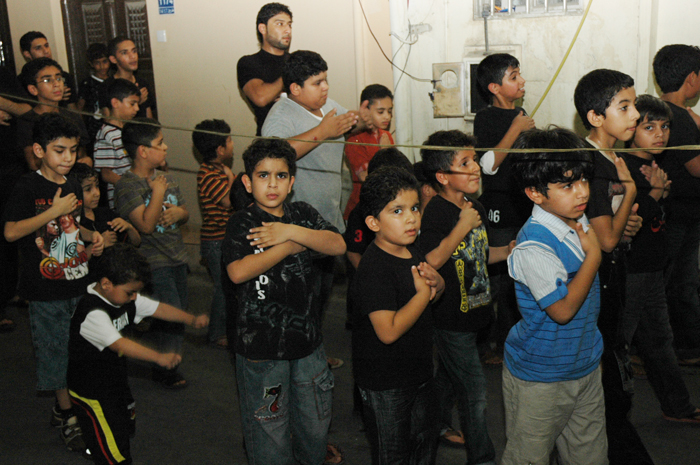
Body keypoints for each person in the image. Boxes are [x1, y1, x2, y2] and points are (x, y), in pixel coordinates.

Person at [222, 138, 346, 465]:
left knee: (314, 424)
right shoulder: (242, 222)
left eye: (280, 176)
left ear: (292, 182)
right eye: (263, 175)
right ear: (248, 183)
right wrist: (288, 246)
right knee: (269, 431)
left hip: (307, 343)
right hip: (261, 350)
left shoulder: (301, 214)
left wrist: (290, 231)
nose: (272, 184)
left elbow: (337, 244)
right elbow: (237, 271)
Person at [502, 127, 606, 464]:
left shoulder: (576, 217)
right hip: (541, 377)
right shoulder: (534, 246)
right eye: (567, 185)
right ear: (534, 193)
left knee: (590, 456)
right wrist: (593, 257)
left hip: (584, 363)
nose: (582, 192)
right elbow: (562, 311)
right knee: (528, 457)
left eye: (583, 180)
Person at [2, 113, 104, 453]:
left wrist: (92, 236)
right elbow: (11, 231)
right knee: (55, 354)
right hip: (45, 290)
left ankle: (68, 407)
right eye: (59, 151)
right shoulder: (27, 186)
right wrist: (53, 210)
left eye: (73, 150)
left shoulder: (73, 184)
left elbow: (72, 225)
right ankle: (68, 415)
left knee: (80, 352)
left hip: (77, 280)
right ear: (39, 150)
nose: (68, 158)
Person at [262, 49, 360, 371]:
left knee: (318, 299)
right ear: (295, 89)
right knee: (298, 301)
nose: (325, 87)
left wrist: (365, 118)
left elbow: (347, 121)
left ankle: (311, 353)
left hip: (327, 221)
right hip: (297, 228)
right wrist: (323, 133)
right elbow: (273, 155)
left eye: (326, 80)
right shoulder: (282, 114)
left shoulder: (326, 108)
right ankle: (298, 360)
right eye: (317, 82)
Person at [68, 243, 208, 465]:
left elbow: (158, 309)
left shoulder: (123, 297)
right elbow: (121, 345)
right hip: (91, 392)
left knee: (122, 427)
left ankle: (100, 445)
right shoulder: (92, 312)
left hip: (113, 381)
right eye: (130, 292)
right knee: (113, 454)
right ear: (106, 284)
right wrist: (159, 357)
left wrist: (190, 319)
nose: (134, 297)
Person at [419, 130, 511, 465]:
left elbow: (479, 255)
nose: (475, 168)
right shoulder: (437, 212)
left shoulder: (476, 207)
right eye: (465, 163)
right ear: (443, 176)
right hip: (450, 320)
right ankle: (482, 458)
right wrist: (461, 226)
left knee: (446, 380)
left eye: (474, 160)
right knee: (474, 392)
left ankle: (429, 430)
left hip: (476, 313)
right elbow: (430, 260)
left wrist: (509, 250)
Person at [574, 68, 651, 464]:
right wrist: (632, 192)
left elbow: (613, 229)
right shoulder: (593, 163)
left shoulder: (611, 156)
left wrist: (625, 226)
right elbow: (605, 240)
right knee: (607, 373)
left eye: (634, 105)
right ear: (595, 117)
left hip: (612, 273)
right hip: (596, 279)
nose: (635, 114)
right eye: (624, 107)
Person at [352, 166, 444, 465]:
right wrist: (422, 295)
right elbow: (388, 331)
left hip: (418, 372)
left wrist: (438, 284)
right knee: (393, 455)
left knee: (423, 443)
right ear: (373, 222)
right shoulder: (374, 268)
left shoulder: (411, 251)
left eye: (415, 208)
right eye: (397, 211)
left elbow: (428, 296)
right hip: (385, 383)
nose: (411, 218)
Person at [621, 94, 700, 423]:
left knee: (659, 339)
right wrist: (655, 193)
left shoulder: (658, 165)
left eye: (665, 127)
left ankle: (677, 406)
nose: (660, 134)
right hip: (629, 271)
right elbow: (626, 224)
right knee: (618, 344)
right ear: (631, 129)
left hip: (652, 267)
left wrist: (661, 191)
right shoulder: (622, 168)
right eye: (649, 127)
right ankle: (611, 415)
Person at [114, 118, 190, 389]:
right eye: (160, 143)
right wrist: (157, 192)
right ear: (143, 151)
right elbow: (145, 226)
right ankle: (166, 367)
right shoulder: (127, 186)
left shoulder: (166, 178)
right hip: (153, 262)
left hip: (177, 257)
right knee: (173, 314)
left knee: (171, 314)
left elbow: (185, 212)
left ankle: (148, 352)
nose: (166, 147)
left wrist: (179, 213)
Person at [474, 53, 534, 364]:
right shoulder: (485, 118)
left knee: (516, 282)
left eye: (519, 74)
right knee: (494, 282)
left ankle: (507, 343)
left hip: (523, 207)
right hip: (498, 209)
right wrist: (516, 128)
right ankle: (482, 344)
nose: (521, 80)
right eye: (513, 76)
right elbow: (488, 165)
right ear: (495, 87)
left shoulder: (521, 114)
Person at [652, 44, 700, 365]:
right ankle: (681, 348)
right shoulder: (678, 118)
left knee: (678, 282)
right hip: (679, 215)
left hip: (677, 213)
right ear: (692, 78)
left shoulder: (668, 113)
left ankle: (682, 347)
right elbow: (697, 168)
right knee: (679, 284)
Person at [193, 119, 235, 349]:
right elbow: (228, 201)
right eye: (229, 140)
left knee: (228, 285)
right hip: (215, 240)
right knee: (223, 287)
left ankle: (226, 328)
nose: (232, 143)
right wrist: (231, 178)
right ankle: (216, 333)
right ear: (220, 149)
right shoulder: (208, 174)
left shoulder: (217, 170)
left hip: (223, 238)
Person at [17, 58, 90, 170]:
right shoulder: (27, 121)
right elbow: (34, 164)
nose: (56, 84)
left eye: (59, 78)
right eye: (47, 80)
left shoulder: (72, 116)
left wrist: (85, 161)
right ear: (33, 89)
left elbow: (82, 153)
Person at [237, 2, 293, 135]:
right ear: (262, 28)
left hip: (303, 135)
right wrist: (291, 73)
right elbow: (260, 98)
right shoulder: (249, 63)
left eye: (289, 25)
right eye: (280, 24)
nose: (288, 30)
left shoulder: (297, 60)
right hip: (270, 141)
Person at [344, 84, 394, 219]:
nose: (387, 117)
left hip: (384, 206)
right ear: (365, 110)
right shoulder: (355, 139)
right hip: (360, 209)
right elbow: (365, 177)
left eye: (390, 111)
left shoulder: (386, 136)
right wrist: (385, 152)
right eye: (381, 112)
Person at [93, 78, 140, 208]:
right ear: (115, 103)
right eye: (132, 104)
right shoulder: (107, 134)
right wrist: (130, 186)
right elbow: (106, 174)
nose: (137, 108)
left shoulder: (128, 130)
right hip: (123, 198)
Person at [19, 31, 79, 110]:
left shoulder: (64, 75)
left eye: (46, 46)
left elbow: (73, 109)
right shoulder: (21, 81)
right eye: (38, 48)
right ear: (27, 54)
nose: (46, 51)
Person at [102, 36, 154, 119]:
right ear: (113, 59)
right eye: (124, 53)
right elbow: (108, 121)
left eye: (134, 51)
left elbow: (149, 118)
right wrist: (136, 102)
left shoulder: (142, 82)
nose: (132, 56)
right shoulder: (107, 86)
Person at [78, 43, 111, 147]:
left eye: (104, 61)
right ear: (91, 64)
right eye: (97, 63)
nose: (102, 66)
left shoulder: (113, 82)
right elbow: (80, 108)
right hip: (93, 131)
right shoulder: (87, 84)